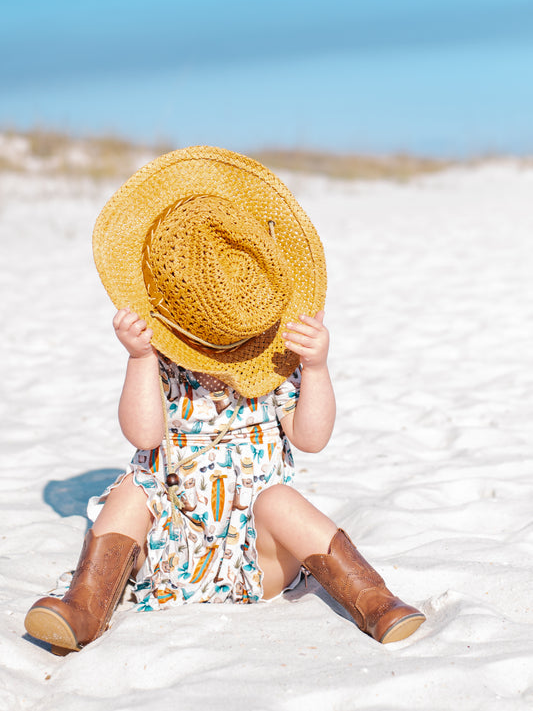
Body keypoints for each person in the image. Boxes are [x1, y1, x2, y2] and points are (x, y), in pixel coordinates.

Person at [24, 146, 425, 654]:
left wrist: (317, 369)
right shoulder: (162, 362)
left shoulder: (276, 362)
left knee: (281, 500)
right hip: (166, 554)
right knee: (131, 490)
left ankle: (374, 600)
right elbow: (144, 434)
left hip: (255, 560)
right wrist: (140, 359)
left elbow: (312, 438)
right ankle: (86, 605)